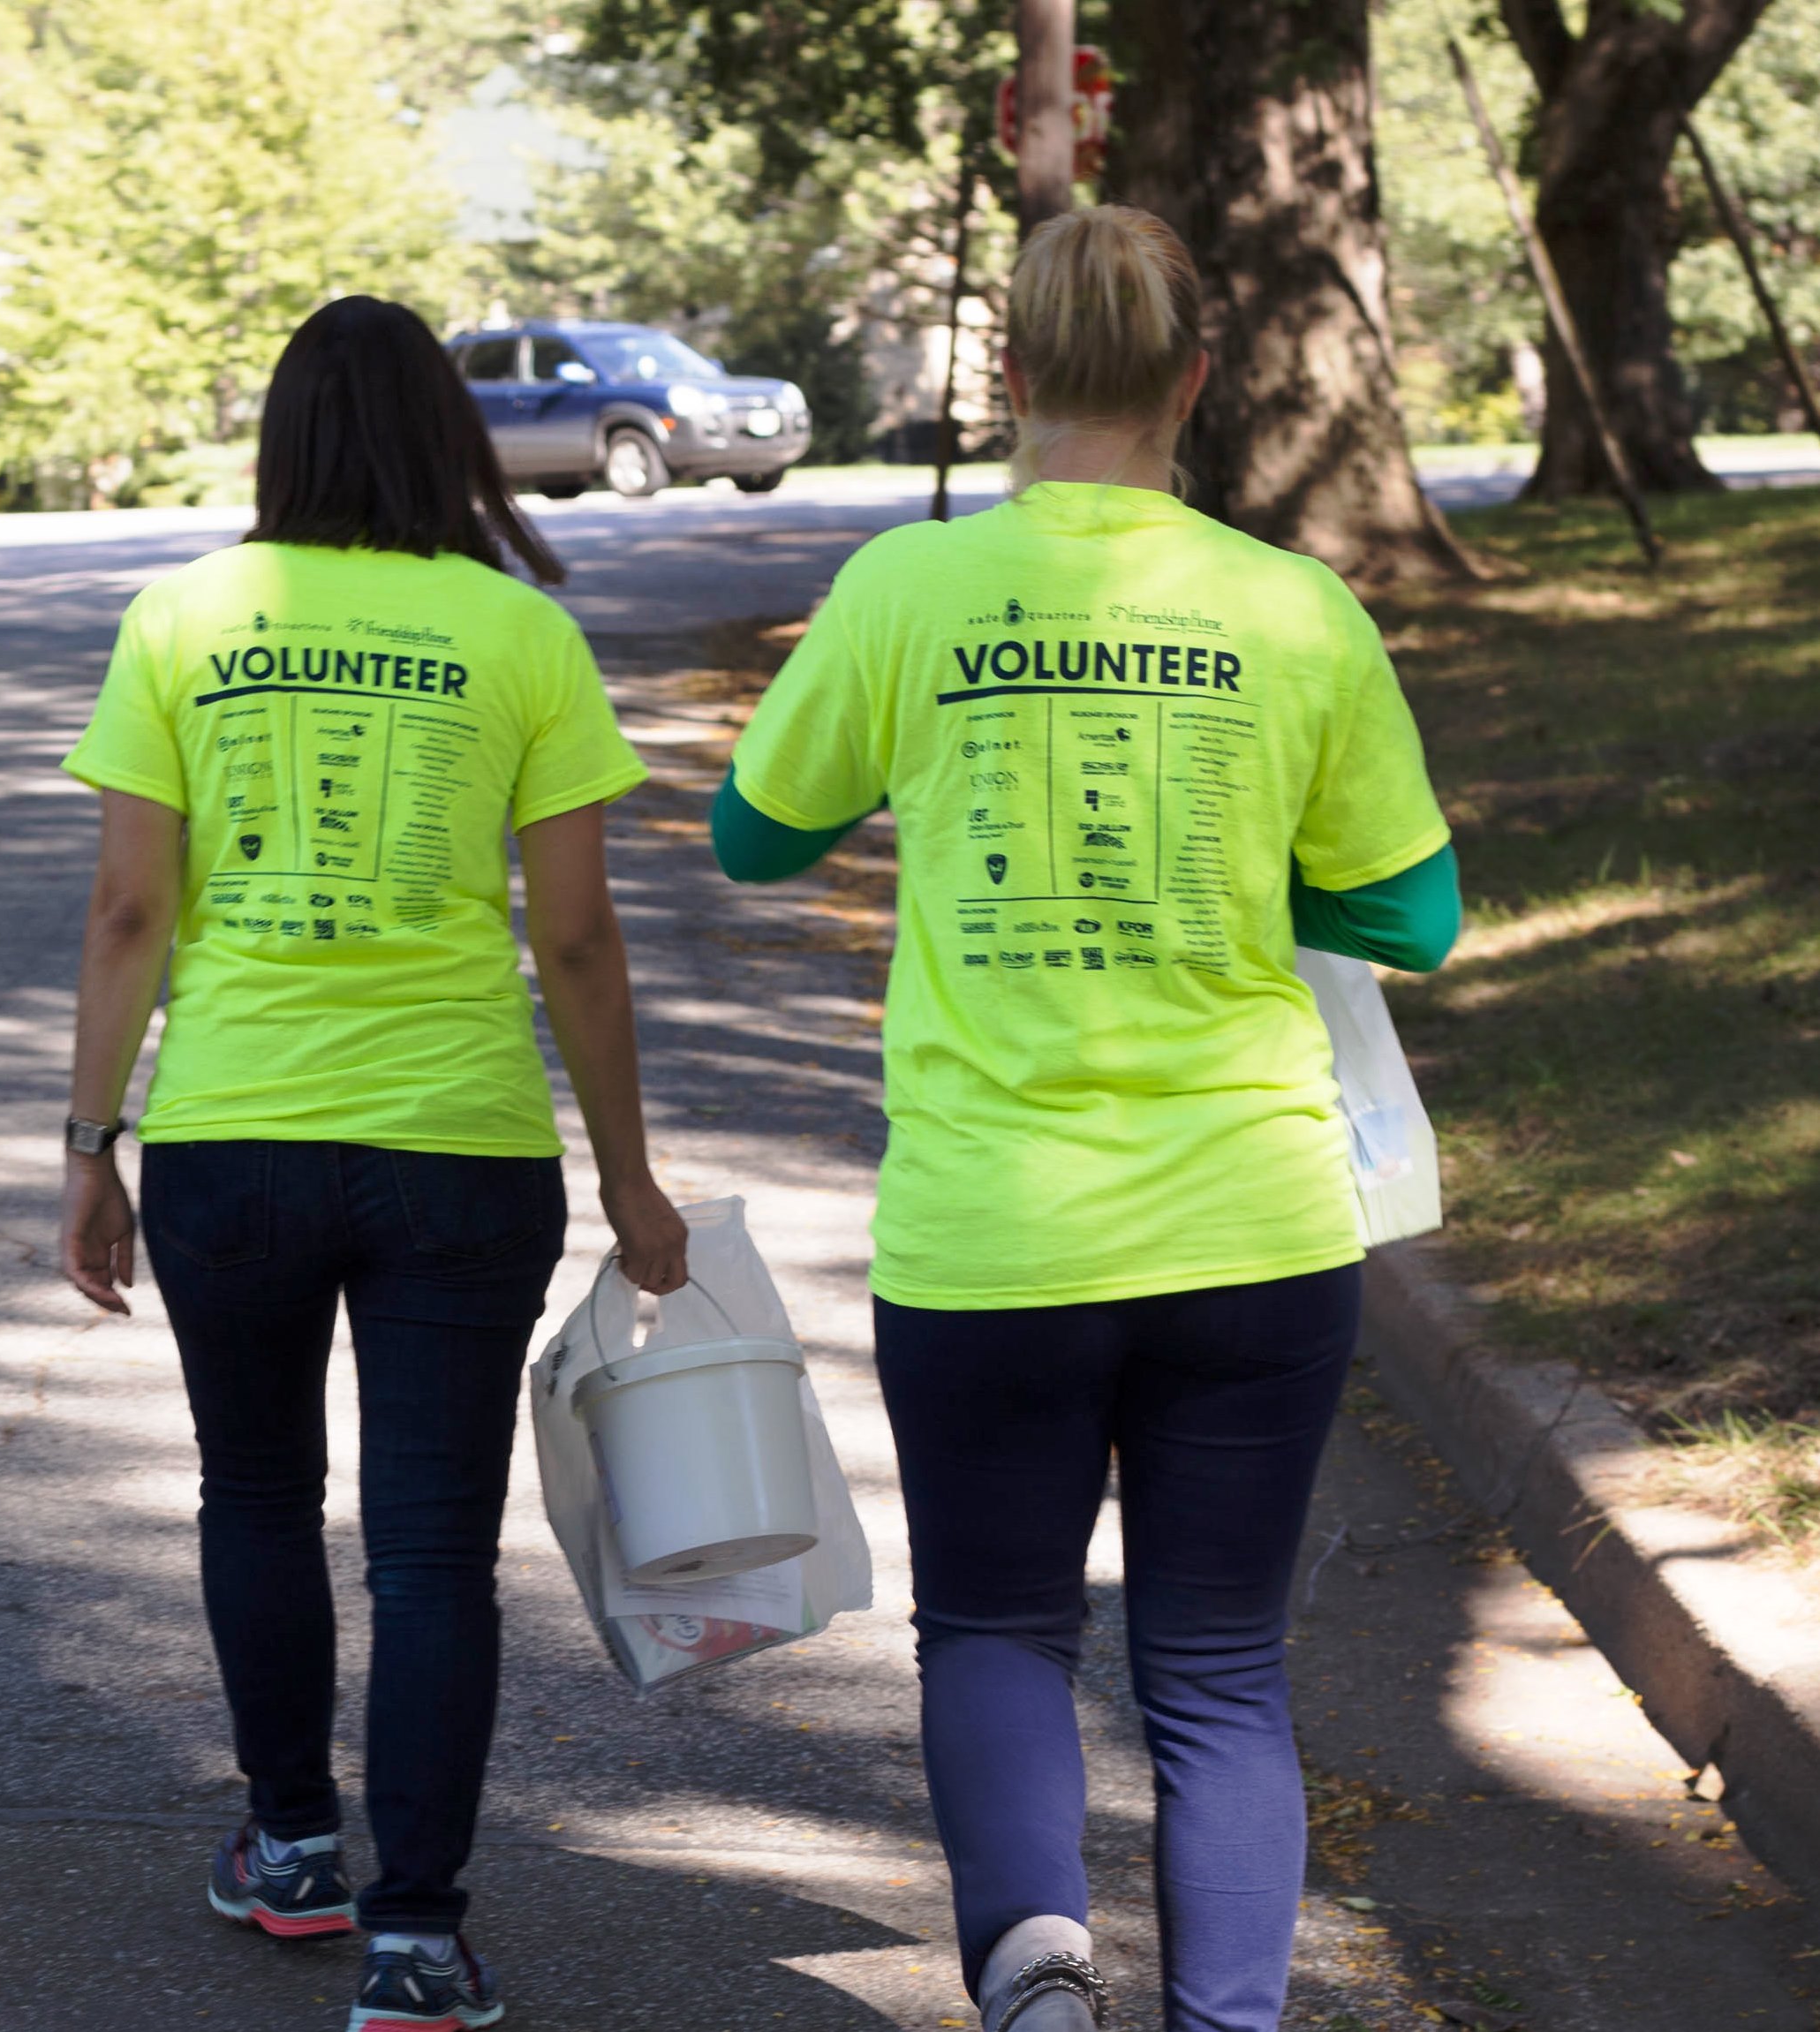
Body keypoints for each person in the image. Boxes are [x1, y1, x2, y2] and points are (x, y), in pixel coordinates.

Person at [715, 206, 1461, 2032]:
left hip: (992, 1231)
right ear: (1195, 383)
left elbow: (752, 833)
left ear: (1017, 378)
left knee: (994, 1629)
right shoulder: (1294, 606)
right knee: (1217, 1667)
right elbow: (1417, 916)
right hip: (1257, 1224)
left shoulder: (910, 589)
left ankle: (1037, 1971)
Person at [56, 294, 690, 2032]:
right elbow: (576, 940)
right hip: (457, 1146)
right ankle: (415, 1938)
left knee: (254, 1496)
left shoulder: (183, 618)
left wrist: (90, 1140)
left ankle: (290, 1845)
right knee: (431, 1558)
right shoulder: (516, 632)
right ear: (447, 439)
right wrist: (632, 1175)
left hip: (230, 1141)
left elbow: (129, 911)